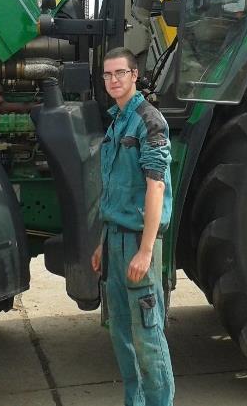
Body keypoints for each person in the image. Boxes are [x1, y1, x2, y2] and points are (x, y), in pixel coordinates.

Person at [91, 47, 175, 406]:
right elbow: (114, 190)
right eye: (108, 75)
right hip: (113, 239)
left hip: (136, 243)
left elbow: (155, 185)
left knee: (147, 334)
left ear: (134, 74)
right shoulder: (117, 120)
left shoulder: (148, 120)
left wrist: (146, 248)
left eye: (120, 73)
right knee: (121, 334)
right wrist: (101, 242)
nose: (113, 80)